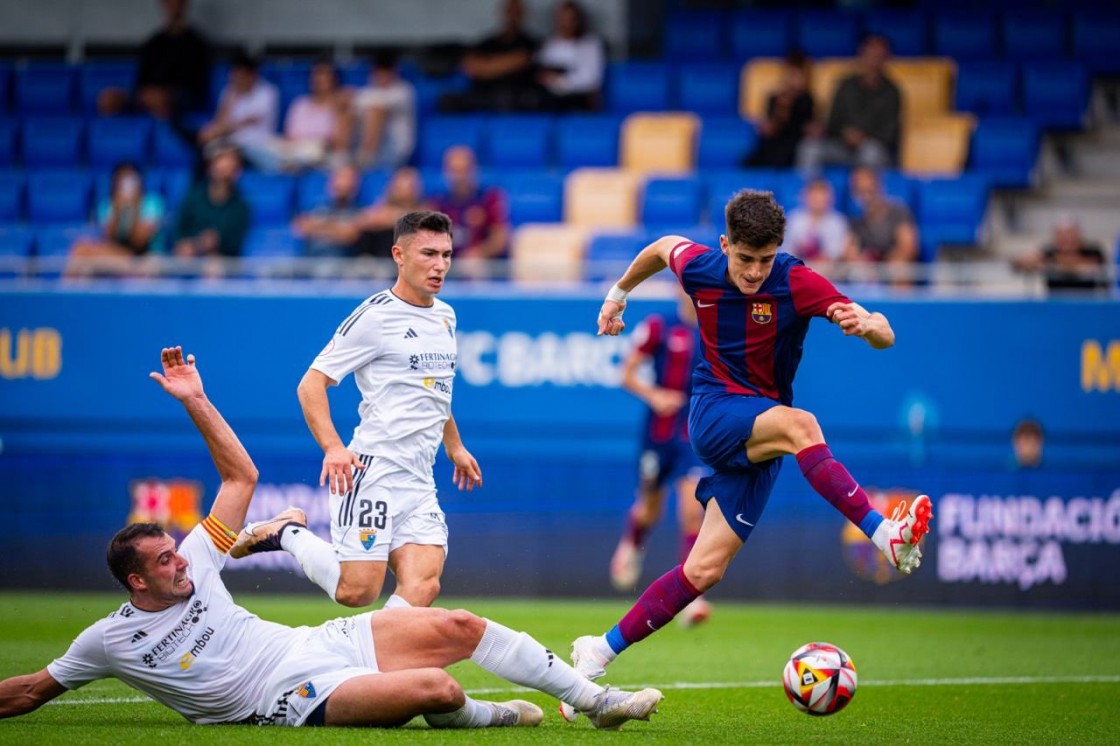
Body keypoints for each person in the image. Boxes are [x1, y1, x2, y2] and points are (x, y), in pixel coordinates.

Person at [0, 346, 663, 731]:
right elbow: (28, 691)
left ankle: (595, 700)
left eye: (177, 551)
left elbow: (241, 474)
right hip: (281, 699)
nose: (183, 562)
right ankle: (481, 717)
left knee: (454, 620)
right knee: (437, 688)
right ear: (136, 582)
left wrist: (194, 400)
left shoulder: (199, 557)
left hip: (312, 643)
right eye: (164, 562)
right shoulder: (109, 639)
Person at [563, 189, 932, 698]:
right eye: (744, 258)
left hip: (760, 430)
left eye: (765, 259)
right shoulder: (700, 267)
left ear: (779, 250)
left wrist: (868, 326)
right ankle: (884, 533)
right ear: (724, 245)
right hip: (715, 412)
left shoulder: (796, 279)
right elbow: (660, 246)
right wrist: (617, 294)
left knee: (705, 569)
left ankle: (597, 652)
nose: (755, 271)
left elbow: (886, 332)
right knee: (802, 426)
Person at [279, 211, 479, 609]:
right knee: (358, 592)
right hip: (374, 471)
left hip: (419, 477)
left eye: (446, 255)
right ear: (398, 255)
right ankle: (287, 531)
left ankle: (373, 665)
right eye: (428, 254)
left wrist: (454, 447)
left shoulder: (446, 316)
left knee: (423, 585)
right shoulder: (374, 317)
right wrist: (334, 448)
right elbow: (311, 384)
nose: (440, 266)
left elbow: (436, 390)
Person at [609, 289, 712, 628]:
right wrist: (655, 396)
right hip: (658, 433)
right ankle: (632, 543)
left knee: (692, 508)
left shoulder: (717, 332)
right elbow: (626, 374)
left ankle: (691, 595)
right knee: (650, 507)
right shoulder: (659, 326)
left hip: (693, 435)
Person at [797, 34, 900, 173]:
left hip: (871, 148)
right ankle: (810, 193)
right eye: (870, 55)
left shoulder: (892, 92)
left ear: (886, 58)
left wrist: (863, 137)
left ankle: (865, 194)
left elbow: (890, 134)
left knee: (871, 152)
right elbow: (832, 121)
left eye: (878, 56)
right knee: (809, 148)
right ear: (862, 55)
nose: (874, 61)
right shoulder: (846, 85)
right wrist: (844, 133)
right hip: (841, 146)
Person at [97, 0, 212, 119]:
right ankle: (114, 137)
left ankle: (162, 134)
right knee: (108, 99)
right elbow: (140, 81)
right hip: (149, 95)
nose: (173, 4)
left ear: (185, 3)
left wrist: (166, 92)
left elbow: (197, 85)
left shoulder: (197, 43)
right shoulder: (153, 43)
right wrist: (147, 93)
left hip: (180, 97)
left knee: (159, 100)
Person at [66, 162, 166, 278]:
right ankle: (62, 293)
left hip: (144, 259)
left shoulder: (152, 203)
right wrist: (118, 212)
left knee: (84, 254)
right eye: (122, 181)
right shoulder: (107, 206)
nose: (127, 186)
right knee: (80, 252)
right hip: (119, 257)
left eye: (131, 180)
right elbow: (109, 239)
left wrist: (134, 208)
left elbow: (139, 241)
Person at [440, 0, 541, 112]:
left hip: (515, 98)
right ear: (502, 13)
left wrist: (486, 66)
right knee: (447, 99)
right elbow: (469, 65)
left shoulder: (530, 43)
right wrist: (503, 64)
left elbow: (521, 60)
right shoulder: (487, 43)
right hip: (483, 95)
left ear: (523, 14)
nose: (513, 16)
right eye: (510, 11)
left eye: (517, 12)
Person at [249, 60, 348, 173]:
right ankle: (286, 165)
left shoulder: (340, 104)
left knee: (315, 150)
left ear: (333, 79)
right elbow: (289, 135)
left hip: (319, 150)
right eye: (316, 74)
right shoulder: (300, 103)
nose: (318, 79)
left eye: (323, 74)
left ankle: (288, 166)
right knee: (265, 143)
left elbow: (337, 143)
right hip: (294, 149)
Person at [198, 51, 279, 166]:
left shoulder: (267, 93)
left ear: (251, 75)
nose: (236, 78)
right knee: (206, 141)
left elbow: (248, 121)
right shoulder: (229, 92)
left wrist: (218, 131)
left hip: (257, 145)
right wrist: (232, 98)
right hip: (230, 145)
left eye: (240, 74)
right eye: (234, 74)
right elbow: (220, 121)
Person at [433, 146, 510, 266]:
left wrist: (480, 253)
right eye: (455, 171)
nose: (459, 177)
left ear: (474, 170)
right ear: (446, 173)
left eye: (464, 170)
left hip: (483, 265)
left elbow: (500, 238)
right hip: (447, 266)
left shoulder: (489, 198)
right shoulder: (438, 203)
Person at [172, 146, 251, 260]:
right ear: (210, 168)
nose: (224, 171)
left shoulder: (241, 207)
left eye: (229, 168)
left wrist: (214, 245)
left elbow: (234, 245)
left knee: (214, 267)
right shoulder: (193, 196)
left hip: (221, 262)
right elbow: (179, 230)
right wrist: (194, 244)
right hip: (188, 254)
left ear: (237, 173)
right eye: (220, 166)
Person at [846, 166, 919, 283]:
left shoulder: (897, 211)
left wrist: (886, 266)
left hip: (891, 265)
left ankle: (899, 301)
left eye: (869, 191)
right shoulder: (856, 219)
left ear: (879, 188)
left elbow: (908, 247)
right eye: (861, 192)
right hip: (868, 269)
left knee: (900, 269)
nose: (866, 197)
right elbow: (850, 250)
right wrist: (861, 262)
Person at [347, 52, 418, 170]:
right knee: (347, 113)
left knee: (377, 111)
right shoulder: (368, 92)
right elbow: (348, 101)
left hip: (396, 150)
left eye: (385, 73)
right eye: (378, 73)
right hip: (365, 148)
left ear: (393, 73)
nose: (381, 77)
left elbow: (378, 107)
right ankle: (340, 156)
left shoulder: (404, 91)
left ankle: (366, 156)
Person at [746, 52, 815, 168]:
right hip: (773, 142)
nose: (794, 78)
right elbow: (770, 127)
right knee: (750, 161)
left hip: (794, 144)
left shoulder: (807, 100)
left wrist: (788, 107)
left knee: (783, 155)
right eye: (791, 73)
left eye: (798, 74)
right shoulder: (774, 98)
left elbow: (803, 127)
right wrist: (779, 109)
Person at [535, 1, 604, 111]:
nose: (566, 23)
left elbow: (591, 79)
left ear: (578, 20)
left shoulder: (590, 44)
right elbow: (542, 74)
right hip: (552, 101)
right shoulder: (549, 44)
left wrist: (560, 82)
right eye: (562, 18)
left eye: (570, 18)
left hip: (579, 99)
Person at [1012, 215, 1107, 293]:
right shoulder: (1049, 251)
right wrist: (1029, 262)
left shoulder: (1092, 250)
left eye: (1070, 234)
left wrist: (1051, 263)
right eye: (1061, 235)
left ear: (1079, 235)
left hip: (1087, 303)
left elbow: (1090, 264)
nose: (1066, 239)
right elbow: (1022, 263)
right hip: (1056, 304)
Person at [354, 167, 432, 259]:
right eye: (399, 186)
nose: (402, 190)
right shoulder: (382, 206)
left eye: (409, 186)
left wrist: (395, 217)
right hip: (379, 259)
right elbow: (363, 220)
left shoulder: (424, 208)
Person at [291, 163, 363, 258]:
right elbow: (301, 228)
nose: (341, 183)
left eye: (347, 179)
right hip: (311, 264)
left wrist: (317, 227)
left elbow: (349, 235)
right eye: (338, 178)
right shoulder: (319, 209)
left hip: (340, 266)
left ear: (355, 184)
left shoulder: (359, 212)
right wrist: (336, 229)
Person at [782, 178, 850, 276]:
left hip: (830, 273)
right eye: (814, 196)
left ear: (829, 198)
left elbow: (836, 253)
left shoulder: (838, 222)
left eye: (821, 196)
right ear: (806, 196)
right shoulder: (794, 220)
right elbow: (787, 249)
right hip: (798, 271)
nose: (818, 200)